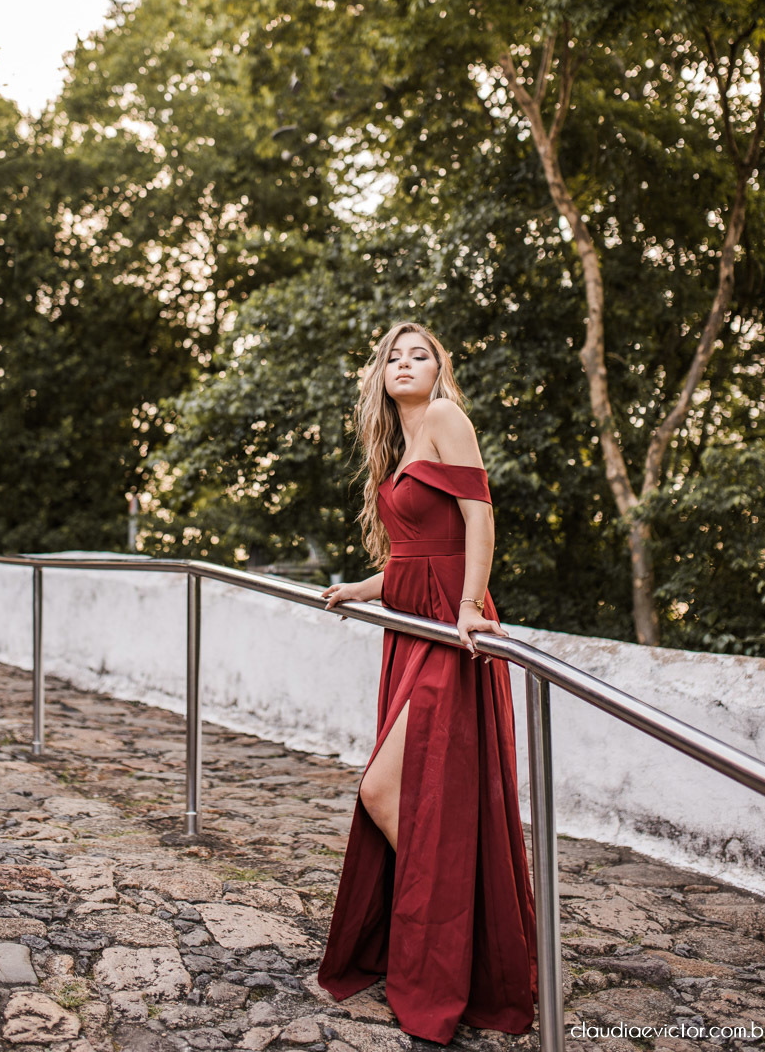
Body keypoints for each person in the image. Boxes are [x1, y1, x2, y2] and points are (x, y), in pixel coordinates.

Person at [317, 320, 538, 1046]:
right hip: (408, 629)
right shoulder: (398, 443)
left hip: (449, 627)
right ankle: (454, 928)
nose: (405, 364)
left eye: (421, 355)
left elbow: (478, 520)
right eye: (394, 356)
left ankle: (453, 935)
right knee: (415, 795)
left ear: (439, 371)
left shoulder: (445, 418)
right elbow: (414, 555)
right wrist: (360, 587)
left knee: (382, 790)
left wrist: (471, 610)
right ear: (379, 375)